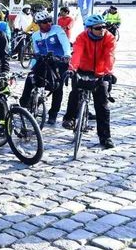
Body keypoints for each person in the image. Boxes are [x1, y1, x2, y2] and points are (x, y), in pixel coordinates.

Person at [62, 14, 117, 149]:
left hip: (100, 72)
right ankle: (69, 119)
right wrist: (72, 69)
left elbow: (109, 55)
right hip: (82, 70)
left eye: (104, 26)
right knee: (75, 92)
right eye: (98, 28)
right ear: (90, 28)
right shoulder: (82, 37)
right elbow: (77, 54)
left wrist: (108, 73)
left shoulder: (109, 38)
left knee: (102, 106)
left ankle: (105, 137)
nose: (102, 30)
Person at [18, 10, 72, 124]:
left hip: (59, 61)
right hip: (44, 61)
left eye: (49, 21)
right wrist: (34, 64)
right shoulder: (36, 35)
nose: (48, 24)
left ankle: (53, 114)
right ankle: (24, 103)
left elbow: (65, 44)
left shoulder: (57, 30)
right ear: (38, 23)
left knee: (58, 87)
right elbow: (36, 51)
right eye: (44, 22)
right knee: (30, 77)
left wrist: (67, 55)